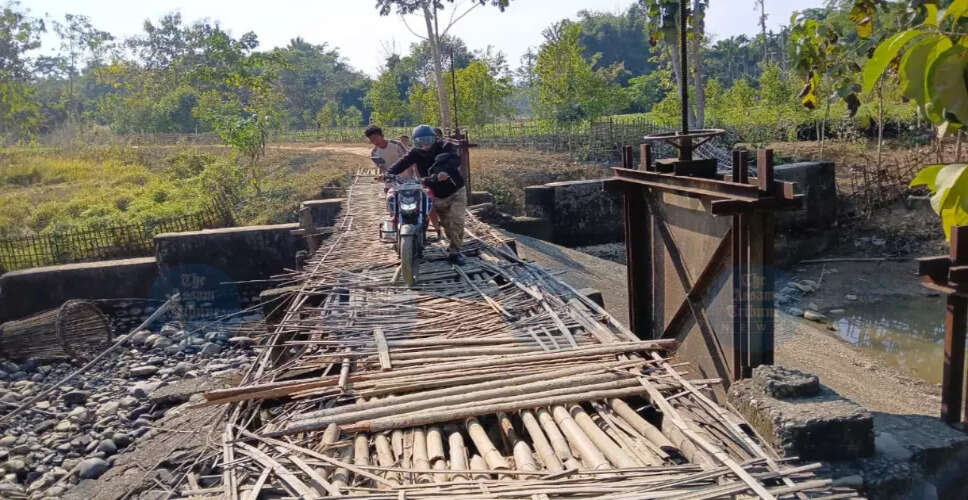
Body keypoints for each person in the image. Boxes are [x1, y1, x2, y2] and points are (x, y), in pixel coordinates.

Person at [385, 124, 467, 264]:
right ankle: (417, 241)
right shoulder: (415, 152)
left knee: (456, 221)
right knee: (447, 224)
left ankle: (455, 252)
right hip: (434, 192)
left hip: (455, 191)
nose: (424, 145)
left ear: (434, 139)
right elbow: (402, 162)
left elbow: (455, 159)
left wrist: (445, 171)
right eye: (420, 141)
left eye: (428, 140)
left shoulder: (445, 146)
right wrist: (388, 173)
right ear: (415, 142)